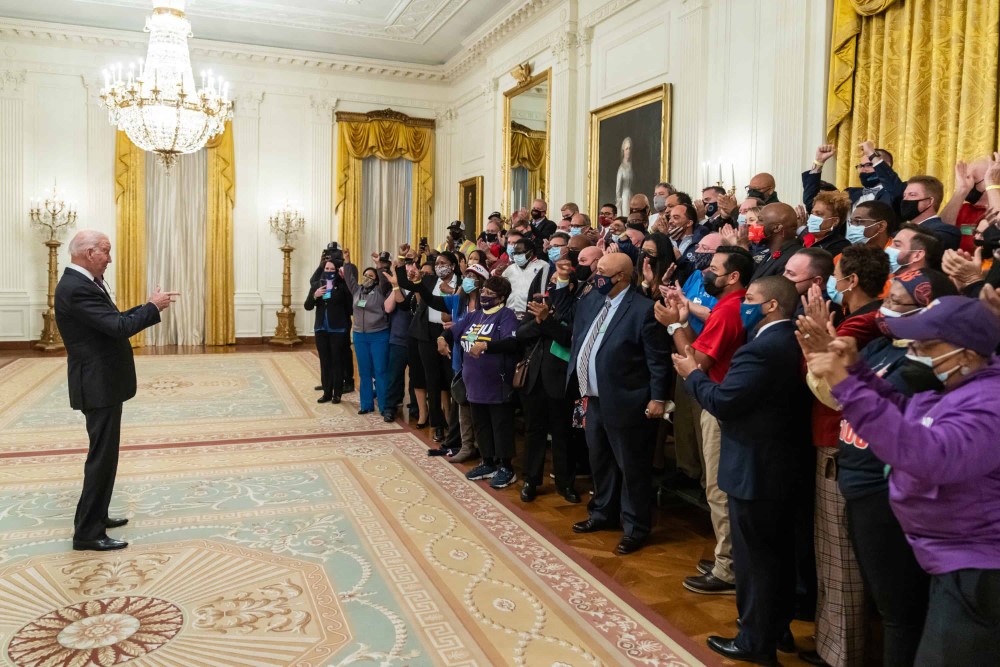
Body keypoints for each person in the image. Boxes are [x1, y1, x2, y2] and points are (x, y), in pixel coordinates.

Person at [811, 296, 1000, 666]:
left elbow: (928, 457)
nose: (913, 352)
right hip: (949, 558)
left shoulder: (989, 404)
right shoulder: (954, 389)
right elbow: (903, 413)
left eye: (927, 346)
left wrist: (845, 386)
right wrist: (858, 372)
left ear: (968, 353)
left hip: (978, 568)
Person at [823, 269, 956, 667]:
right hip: (857, 483)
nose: (886, 309)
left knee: (900, 612)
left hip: (887, 492)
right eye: (888, 298)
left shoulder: (929, 365)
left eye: (898, 302)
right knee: (883, 604)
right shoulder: (882, 346)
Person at [675, 276, 812, 665]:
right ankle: (776, 627)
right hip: (782, 466)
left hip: (756, 470)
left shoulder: (761, 350)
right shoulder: (788, 340)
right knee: (778, 557)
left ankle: (755, 641)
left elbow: (724, 401)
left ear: (771, 306)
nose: (743, 304)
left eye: (750, 299)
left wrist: (692, 376)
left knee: (757, 563)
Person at [55, 230, 178, 551]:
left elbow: (112, 320)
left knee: (105, 456)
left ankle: (98, 515)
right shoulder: (77, 287)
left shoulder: (84, 283)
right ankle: (86, 533)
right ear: (88, 252)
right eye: (106, 252)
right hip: (97, 384)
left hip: (103, 382)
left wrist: (147, 306)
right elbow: (118, 327)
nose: (110, 258)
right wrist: (153, 307)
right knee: (101, 458)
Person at [798, 243, 890, 667]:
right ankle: (832, 643)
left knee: (839, 557)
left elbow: (832, 390)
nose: (833, 282)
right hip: (837, 440)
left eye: (837, 274)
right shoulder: (858, 319)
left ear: (851, 281)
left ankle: (840, 653)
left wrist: (813, 350)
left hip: (840, 441)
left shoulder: (862, 324)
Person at [657, 245, 753, 593]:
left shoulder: (728, 310)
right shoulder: (731, 305)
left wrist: (676, 326)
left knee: (718, 490)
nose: (706, 273)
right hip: (719, 399)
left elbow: (695, 364)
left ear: (733, 277)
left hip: (719, 403)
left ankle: (729, 569)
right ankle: (726, 556)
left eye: (713, 268)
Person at [568, 252, 671, 555]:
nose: (595, 275)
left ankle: (635, 527)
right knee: (599, 459)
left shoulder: (643, 309)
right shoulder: (592, 300)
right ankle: (603, 513)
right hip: (591, 397)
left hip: (627, 399)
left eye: (602, 272)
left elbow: (657, 360)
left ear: (622, 277)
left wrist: (658, 397)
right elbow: (580, 338)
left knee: (631, 467)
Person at [443, 276, 522, 489]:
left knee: (500, 425)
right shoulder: (474, 316)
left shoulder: (506, 316)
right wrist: (442, 339)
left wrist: (486, 346)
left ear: (501, 297)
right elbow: (452, 331)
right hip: (474, 382)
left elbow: (512, 342)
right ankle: (487, 462)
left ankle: (505, 467)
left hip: (497, 382)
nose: (484, 296)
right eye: (484, 292)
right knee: (482, 425)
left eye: (490, 294)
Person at [517, 248, 581, 503]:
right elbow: (521, 333)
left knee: (563, 433)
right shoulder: (538, 306)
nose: (552, 288)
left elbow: (568, 338)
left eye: (558, 283)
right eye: (551, 283)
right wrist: (543, 321)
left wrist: (549, 323)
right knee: (534, 432)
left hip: (560, 380)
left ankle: (565, 484)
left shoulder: (575, 308)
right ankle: (531, 481)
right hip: (534, 378)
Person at [342, 253, 393, 419]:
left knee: (380, 371)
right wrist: (348, 261)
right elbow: (349, 278)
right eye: (365, 275)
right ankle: (366, 404)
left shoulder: (380, 290)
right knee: (364, 372)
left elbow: (385, 280)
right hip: (359, 336)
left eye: (371, 276)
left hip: (379, 335)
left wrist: (378, 266)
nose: (367, 278)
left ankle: (385, 406)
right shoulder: (357, 290)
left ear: (376, 279)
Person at [804, 142, 903, 212]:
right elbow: (812, 204)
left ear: (886, 165)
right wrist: (818, 162)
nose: (863, 170)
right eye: (860, 166)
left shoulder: (894, 192)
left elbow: (896, 190)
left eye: (869, 165)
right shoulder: (850, 193)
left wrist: (872, 154)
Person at [305, 258, 353, 404]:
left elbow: (350, 309)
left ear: (337, 271)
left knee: (337, 361)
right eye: (327, 269)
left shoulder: (343, 286)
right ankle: (326, 392)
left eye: (332, 270)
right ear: (323, 269)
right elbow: (307, 306)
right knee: (325, 362)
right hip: (321, 328)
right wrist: (315, 296)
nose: (329, 272)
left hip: (338, 329)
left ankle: (337, 394)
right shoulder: (316, 285)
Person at [383, 257, 422, 422]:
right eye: (404, 271)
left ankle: (415, 407)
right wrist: (395, 286)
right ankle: (390, 407)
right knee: (394, 376)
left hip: (416, 340)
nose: (408, 273)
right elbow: (388, 307)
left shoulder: (419, 289)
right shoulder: (395, 288)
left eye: (410, 270)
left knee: (416, 377)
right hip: (398, 339)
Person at [900, 175, 960, 251]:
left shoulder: (945, 232)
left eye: (912, 195)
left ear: (930, 201)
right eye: (904, 195)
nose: (905, 199)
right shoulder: (901, 230)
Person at [750, 203, 803, 282]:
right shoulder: (771, 252)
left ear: (777, 228)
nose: (755, 224)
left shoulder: (791, 259)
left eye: (760, 220)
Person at [502, 236, 549, 318]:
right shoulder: (510, 268)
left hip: (529, 314)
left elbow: (541, 294)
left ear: (530, 253)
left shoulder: (543, 265)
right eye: (515, 253)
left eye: (520, 253)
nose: (516, 256)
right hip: (509, 313)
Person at [803, 190, 850, 257]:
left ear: (835, 221)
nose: (813, 217)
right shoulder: (807, 240)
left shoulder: (839, 246)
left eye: (819, 214)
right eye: (812, 213)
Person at [616, 137, 634, 214]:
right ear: (623, 150)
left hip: (632, 196)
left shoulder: (632, 165)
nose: (628, 151)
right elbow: (618, 188)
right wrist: (619, 201)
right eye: (627, 149)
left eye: (630, 148)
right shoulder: (621, 168)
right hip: (625, 197)